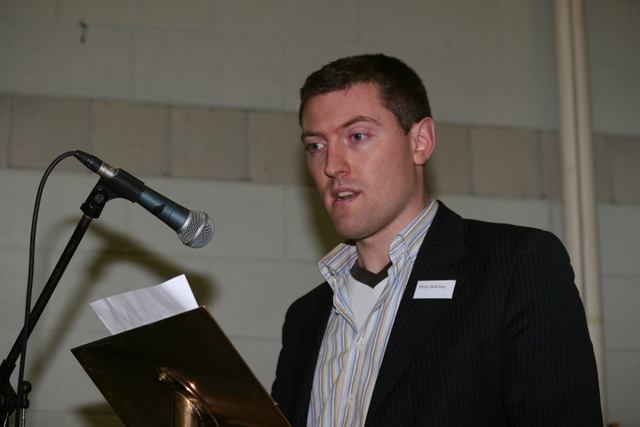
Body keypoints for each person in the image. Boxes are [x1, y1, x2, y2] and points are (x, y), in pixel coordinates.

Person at [271, 53, 602, 426]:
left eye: (357, 136)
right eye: (316, 145)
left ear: (421, 141)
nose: (332, 165)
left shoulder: (514, 266)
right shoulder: (305, 317)